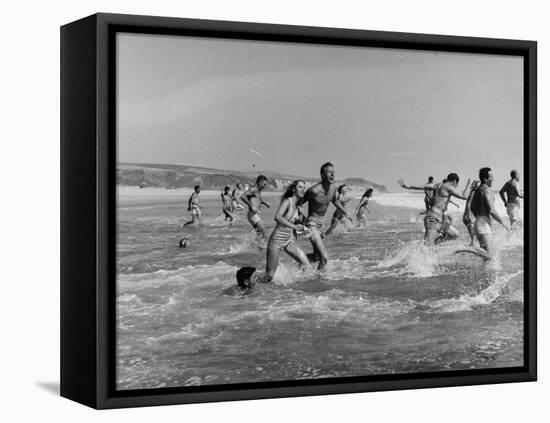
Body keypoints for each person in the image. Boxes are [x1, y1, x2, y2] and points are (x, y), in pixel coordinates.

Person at [300, 162, 348, 270]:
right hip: (311, 225)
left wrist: (345, 212)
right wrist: (300, 216)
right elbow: (298, 203)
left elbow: (334, 200)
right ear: (322, 175)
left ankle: (299, 263)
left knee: (317, 257)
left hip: (322, 226)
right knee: (325, 258)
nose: (332, 175)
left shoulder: (333, 188)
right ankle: (319, 281)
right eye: (329, 172)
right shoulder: (314, 191)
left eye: (333, 173)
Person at [264, 180, 310, 283]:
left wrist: (303, 216)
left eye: (304, 187)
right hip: (277, 240)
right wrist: (294, 226)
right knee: (269, 276)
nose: (303, 189)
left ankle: (293, 288)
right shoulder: (287, 201)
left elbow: (300, 226)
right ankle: (253, 292)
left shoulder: (298, 205)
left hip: (289, 240)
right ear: (294, 189)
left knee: (306, 264)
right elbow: (277, 217)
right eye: (300, 187)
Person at [471, 167, 508, 259]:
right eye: (491, 177)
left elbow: (472, 207)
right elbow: (492, 210)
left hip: (479, 222)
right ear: (485, 179)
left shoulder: (478, 190)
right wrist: (502, 222)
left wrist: (479, 218)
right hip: (483, 225)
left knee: (486, 256)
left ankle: (485, 273)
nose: (493, 179)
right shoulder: (486, 190)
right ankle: (467, 248)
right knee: (490, 256)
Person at [424, 173, 470, 245]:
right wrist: (470, 188)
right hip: (433, 218)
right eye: (457, 184)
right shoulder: (448, 187)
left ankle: (436, 242)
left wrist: (409, 187)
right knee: (428, 245)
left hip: (439, 219)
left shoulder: (438, 185)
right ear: (455, 181)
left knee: (455, 234)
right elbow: (464, 196)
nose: (456, 186)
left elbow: (424, 186)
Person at [240, 175, 271, 242]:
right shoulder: (254, 189)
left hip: (254, 215)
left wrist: (265, 203)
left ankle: (254, 248)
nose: (265, 186)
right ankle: (260, 250)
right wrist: (251, 205)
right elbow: (242, 196)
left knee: (259, 233)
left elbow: (258, 200)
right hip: (253, 215)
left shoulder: (258, 190)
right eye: (264, 184)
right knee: (265, 234)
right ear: (260, 182)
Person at [462, 180, 480, 246]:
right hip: (468, 216)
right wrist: (468, 214)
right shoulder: (474, 192)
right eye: (478, 185)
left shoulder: (472, 192)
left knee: (474, 236)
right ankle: (472, 249)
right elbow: (468, 204)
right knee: (474, 237)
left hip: (467, 216)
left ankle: (471, 247)